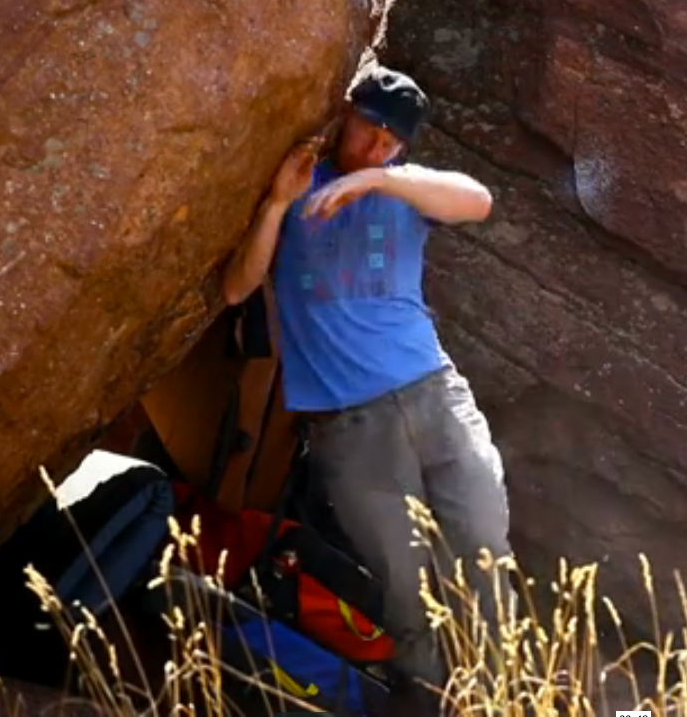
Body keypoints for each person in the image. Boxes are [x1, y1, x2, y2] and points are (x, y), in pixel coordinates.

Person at [220, 63, 513, 712]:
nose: (377, 146)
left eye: (392, 141)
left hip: (435, 393)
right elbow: (237, 288)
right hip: (348, 424)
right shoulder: (301, 185)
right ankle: (425, 701)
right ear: (346, 113)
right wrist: (274, 203)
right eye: (370, 130)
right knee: (407, 582)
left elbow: (479, 201)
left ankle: (502, 696)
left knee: (485, 544)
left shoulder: (402, 189)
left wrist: (382, 177)